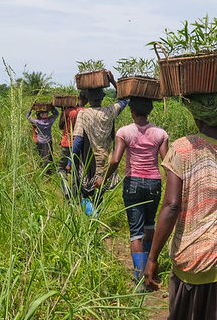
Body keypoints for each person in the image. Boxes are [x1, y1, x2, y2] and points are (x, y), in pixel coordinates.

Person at [144, 70, 217, 320]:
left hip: (191, 263)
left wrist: (152, 257)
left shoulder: (182, 149)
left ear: (196, 116)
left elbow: (172, 205)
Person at [100, 97, 169, 284]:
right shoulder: (160, 133)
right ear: (149, 111)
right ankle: (149, 269)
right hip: (154, 183)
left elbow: (115, 160)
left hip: (133, 183)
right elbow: (166, 162)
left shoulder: (125, 132)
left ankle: (139, 278)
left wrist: (103, 179)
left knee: (135, 232)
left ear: (132, 112)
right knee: (149, 225)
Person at [71, 71, 128, 212]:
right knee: (100, 190)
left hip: (88, 160)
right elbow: (125, 100)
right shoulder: (110, 111)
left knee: (85, 191)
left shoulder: (83, 113)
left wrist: (70, 161)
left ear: (88, 99)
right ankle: (97, 217)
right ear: (102, 98)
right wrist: (113, 81)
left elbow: (78, 140)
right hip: (105, 159)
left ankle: (92, 220)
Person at [26, 104, 59, 174]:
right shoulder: (49, 121)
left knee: (41, 155)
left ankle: (43, 169)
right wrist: (53, 107)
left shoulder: (37, 122)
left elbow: (27, 116)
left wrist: (30, 108)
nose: (46, 114)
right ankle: (49, 170)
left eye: (46, 113)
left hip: (40, 141)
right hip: (48, 141)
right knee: (49, 155)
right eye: (45, 113)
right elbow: (57, 114)